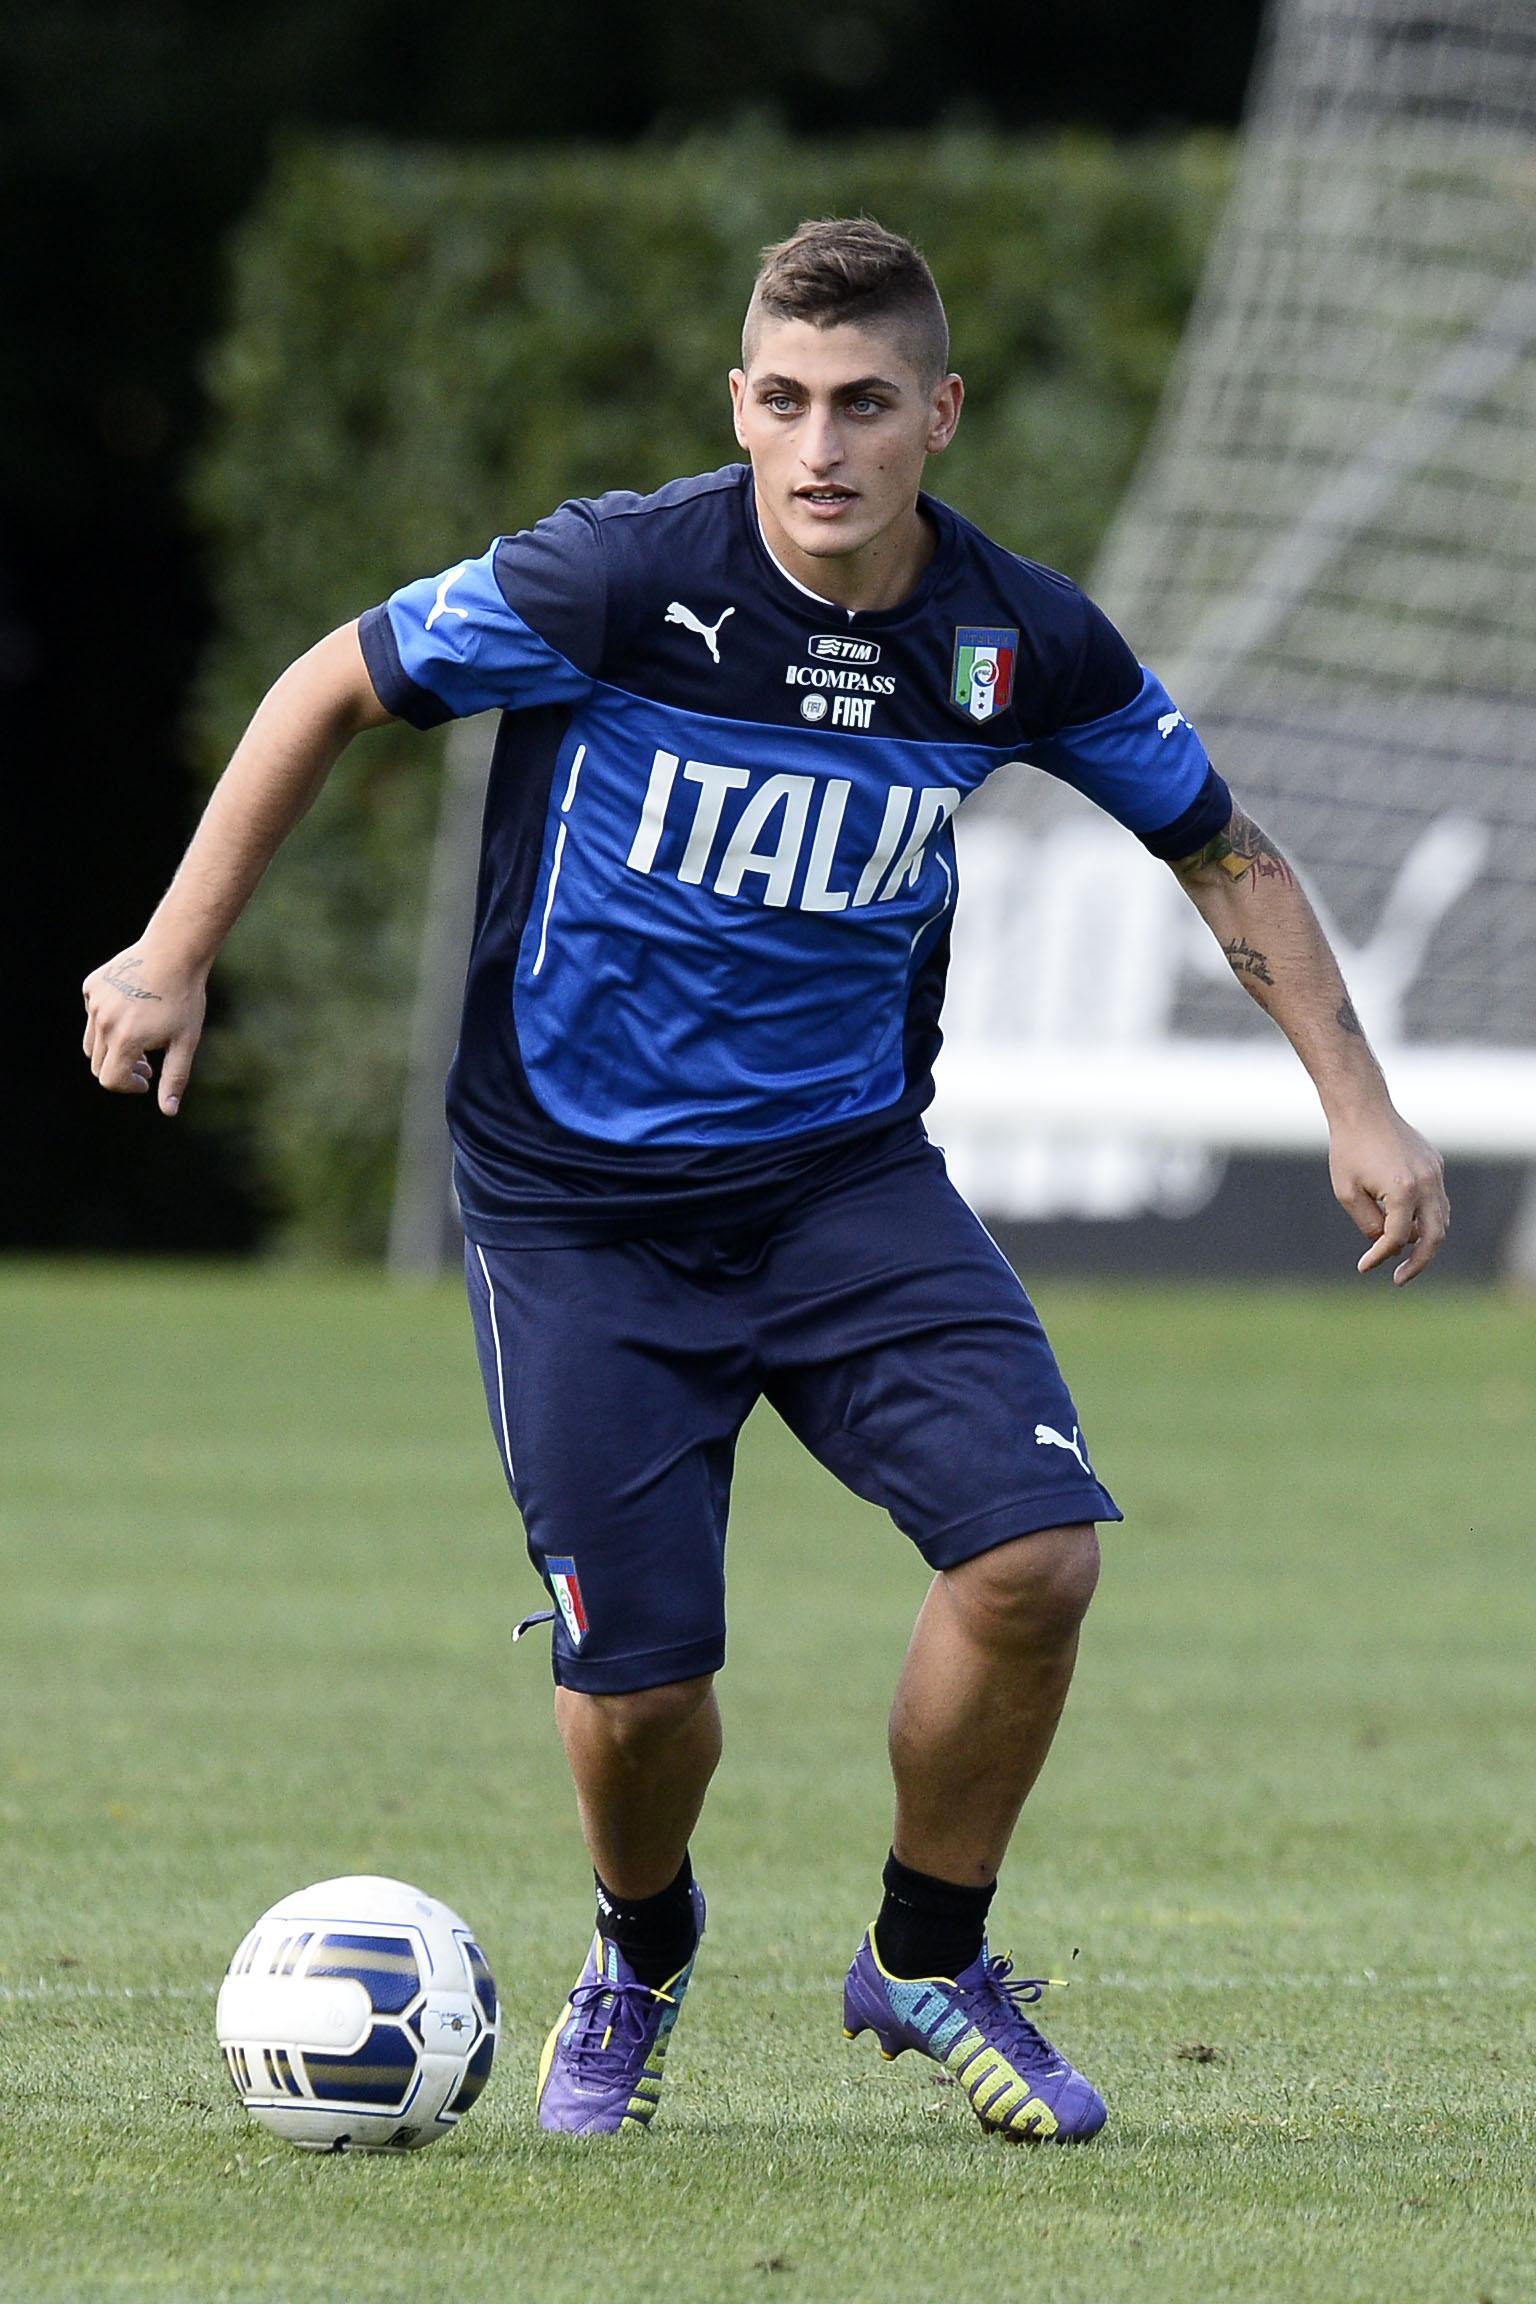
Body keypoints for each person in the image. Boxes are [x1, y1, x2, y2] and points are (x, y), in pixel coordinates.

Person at [82, 218, 1448, 2144]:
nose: (822, 447)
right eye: (787, 402)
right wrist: (171, 951)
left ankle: (926, 1955)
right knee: (642, 1691)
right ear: (738, 406)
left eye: (866, 405)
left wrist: (1358, 1103)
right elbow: (331, 684)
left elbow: (1219, 846)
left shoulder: (1018, 640)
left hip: (842, 1188)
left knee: (1035, 1558)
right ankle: (639, 1953)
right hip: (577, 1212)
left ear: (939, 417)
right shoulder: (616, 578)